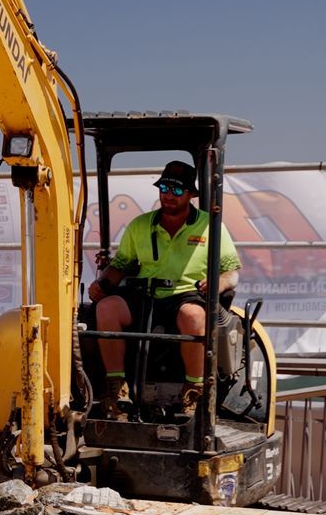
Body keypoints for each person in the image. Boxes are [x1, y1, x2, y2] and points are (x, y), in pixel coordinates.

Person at [86, 159, 240, 417]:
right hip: (145, 294)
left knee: (194, 316)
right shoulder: (140, 225)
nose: (169, 195)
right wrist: (103, 283)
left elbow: (231, 271)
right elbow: (121, 265)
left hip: (186, 294)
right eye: (165, 188)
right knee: (107, 307)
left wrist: (218, 283)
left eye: (177, 190)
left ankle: (194, 391)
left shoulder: (210, 226)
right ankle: (116, 387)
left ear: (191, 194)